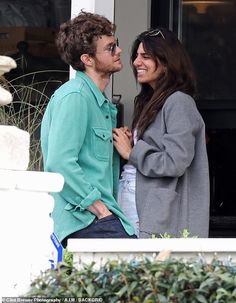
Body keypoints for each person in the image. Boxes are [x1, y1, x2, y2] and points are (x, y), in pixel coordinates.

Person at [40, 11, 136, 247]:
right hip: (85, 219)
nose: (119, 51)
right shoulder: (76, 97)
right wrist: (99, 208)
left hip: (99, 219)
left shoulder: (98, 102)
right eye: (110, 48)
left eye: (117, 45)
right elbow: (59, 162)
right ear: (88, 59)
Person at [113, 28, 210, 238]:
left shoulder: (179, 102)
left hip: (154, 210)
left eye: (145, 56)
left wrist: (132, 152)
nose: (137, 62)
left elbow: (175, 161)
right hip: (138, 199)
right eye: (136, 56)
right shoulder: (151, 101)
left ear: (167, 62)